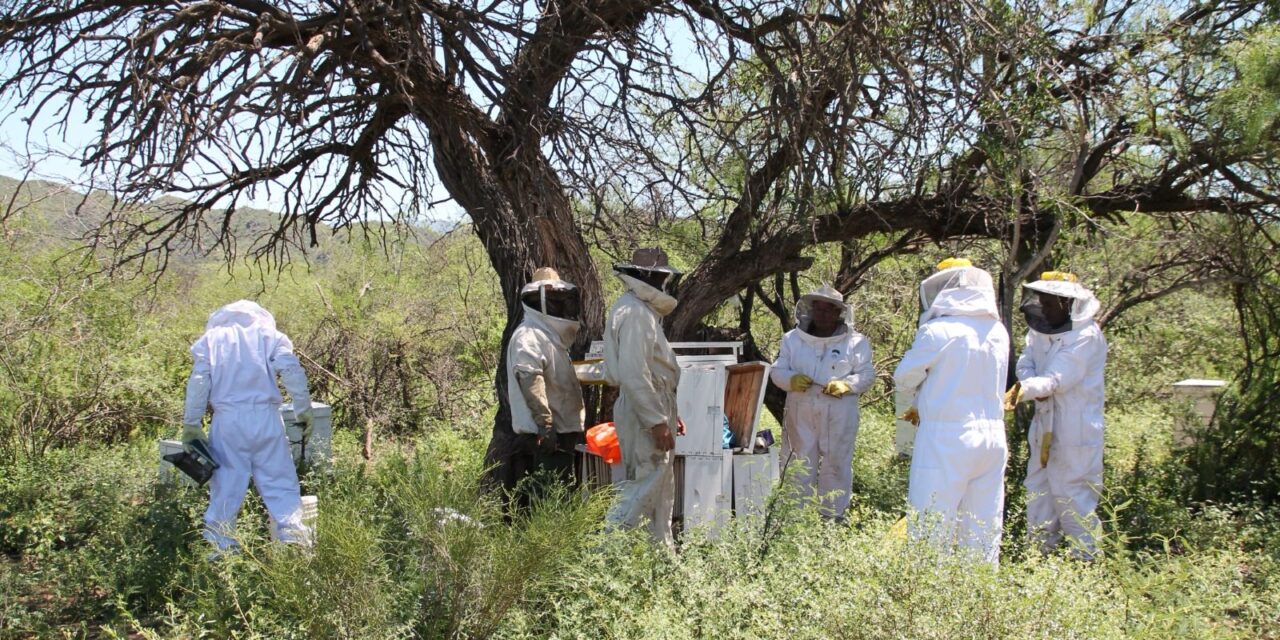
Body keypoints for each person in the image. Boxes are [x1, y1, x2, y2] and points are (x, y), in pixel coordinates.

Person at [893, 258, 1010, 565]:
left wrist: (922, 394)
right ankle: (980, 600)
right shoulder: (999, 332)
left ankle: (928, 599)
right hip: (993, 439)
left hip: (947, 437)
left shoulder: (938, 330)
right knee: (983, 527)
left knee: (931, 523)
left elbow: (903, 377)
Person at [180, 300, 314, 555]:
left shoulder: (212, 339)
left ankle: (222, 553)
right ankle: (294, 542)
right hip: (267, 418)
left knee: (226, 487)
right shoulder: (268, 335)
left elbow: (199, 381)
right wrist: (303, 408)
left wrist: (191, 424)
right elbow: (290, 368)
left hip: (228, 421)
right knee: (280, 481)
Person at [1014, 271, 1108, 559]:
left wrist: (1026, 389)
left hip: (1075, 427)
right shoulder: (1038, 332)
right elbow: (1025, 362)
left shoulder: (1086, 336)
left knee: (1072, 494)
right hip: (1044, 423)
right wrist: (1028, 384)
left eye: (1050, 303)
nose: (1043, 308)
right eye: (1041, 301)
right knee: (1039, 490)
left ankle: (1085, 562)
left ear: (1068, 304)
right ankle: (1039, 559)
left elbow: (1058, 378)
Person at [769, 284, 876, 522]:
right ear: (811, 310)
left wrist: (848, 385)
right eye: (819, 309)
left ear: (839, 313)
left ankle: (833, 517)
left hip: (839, 409)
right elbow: (777, 370)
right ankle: (793, 520)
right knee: (799, 460)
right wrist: (790, 379)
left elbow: (867, 374)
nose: (823, 314)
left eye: (829, 309)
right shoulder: (792, 340)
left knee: (836, 461)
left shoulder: (857, 342)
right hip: (801, 408)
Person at [603, 248, 683, 547]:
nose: (665, 282)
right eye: (661, 276)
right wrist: (656, 420)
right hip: (644, 409)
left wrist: (666, 416)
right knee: (647, 481)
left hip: (651, 404)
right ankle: (606, 553)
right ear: (647, 277)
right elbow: (635, 374)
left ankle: (660, 560)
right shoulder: (635, 312)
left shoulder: (638, 310)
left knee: (659, 485)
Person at [506, 267, 586, 498]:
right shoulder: (528, 335)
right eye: (553, 299)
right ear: (538, 300)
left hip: (559, 431)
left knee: (558, 493)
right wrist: (546, 426)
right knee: (549, 496)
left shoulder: (547, 337)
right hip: (548, 434)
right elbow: (530, 380)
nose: (558, 305)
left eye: (560, 299)